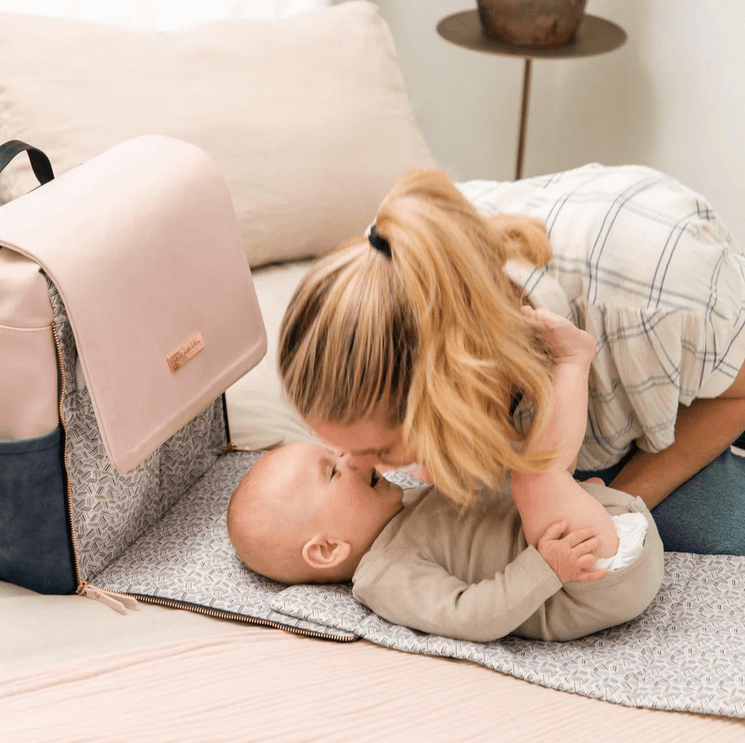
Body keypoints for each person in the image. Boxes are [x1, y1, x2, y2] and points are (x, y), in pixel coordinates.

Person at [278, 167, 745, 554]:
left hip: (716, 385)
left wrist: (617, 507)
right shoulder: (386, 264)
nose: (370, 468)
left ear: (447, 391)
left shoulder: (658, 291)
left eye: (380, 452)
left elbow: (736, 396)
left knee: (710, 528)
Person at [228, 310, 664, 641]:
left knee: (528, 474)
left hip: (602, 525)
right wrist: (544, 568)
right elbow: (469, 615)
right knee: (534, 479)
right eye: (332, 470)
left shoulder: (409, 503)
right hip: (587, 578)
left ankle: (560, 478)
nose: (350, 457)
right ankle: (571, 360)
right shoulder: (384, 576)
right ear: (326, 548)